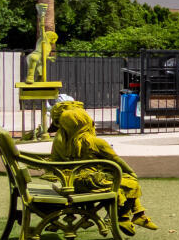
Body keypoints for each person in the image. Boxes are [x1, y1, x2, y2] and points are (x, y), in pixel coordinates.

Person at [47, 99, 157, 232]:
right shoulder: (96, 142)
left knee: (117, 180)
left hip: (72, 182)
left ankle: (138, 215)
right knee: (131, 181)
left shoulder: (61, 142)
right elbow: (116, 160)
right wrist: (131, 171)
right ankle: (124, 217)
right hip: (93, 182)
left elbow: (54, 163)